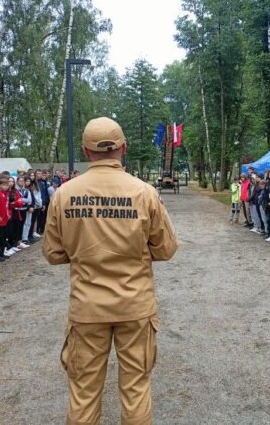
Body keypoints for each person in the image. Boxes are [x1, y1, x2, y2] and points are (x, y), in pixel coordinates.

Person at [43, 117, 178, 423]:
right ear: (123, 148)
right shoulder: (144, 192)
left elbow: (52, 253)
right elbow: (166, 249)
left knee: (84, 392)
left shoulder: (64, 194)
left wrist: (82, 252)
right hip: (135, 305)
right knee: (136, 389)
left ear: (85, 151)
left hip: (87, 308)